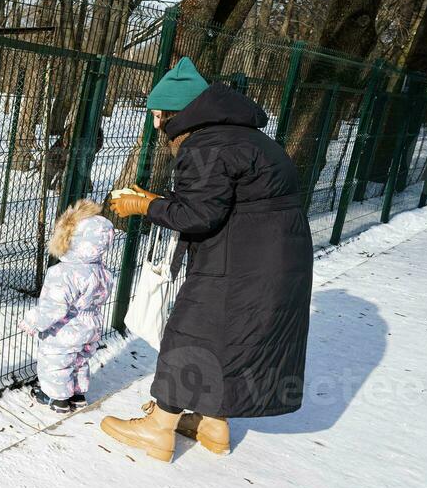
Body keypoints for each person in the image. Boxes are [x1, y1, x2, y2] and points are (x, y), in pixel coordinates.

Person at [106, 56, 313, 462]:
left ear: (177, 112)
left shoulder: (206, 146)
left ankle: (159, 428)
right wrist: (158, 199)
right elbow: (218, 202)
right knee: (229, 336)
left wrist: (142, 207)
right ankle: (213, 423)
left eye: (157, 113)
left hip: (240, 262)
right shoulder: (244, 138)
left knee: (193, 331)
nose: (155, 123)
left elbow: (199, 215)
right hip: (271, 258)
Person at [21, 199, 116, 413]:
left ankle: (56, 398)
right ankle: (78, 394)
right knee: (80, 360)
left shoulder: (64, 273)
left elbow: (53, 307)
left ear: (70, 239)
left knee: (56, 361)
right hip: (91, 324)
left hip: (66, 328)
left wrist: (32, 321)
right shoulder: (100, 271)